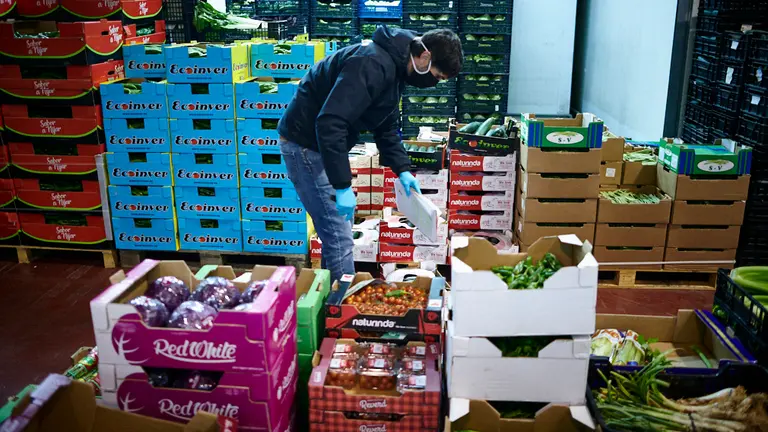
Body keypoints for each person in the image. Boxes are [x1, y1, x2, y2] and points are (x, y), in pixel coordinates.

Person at [277, 26, 463, 283]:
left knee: (337, 231)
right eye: (437, 76)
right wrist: (342, 186)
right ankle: (343, 302)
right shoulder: (372, 64)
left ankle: (332, 293)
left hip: (320, 144)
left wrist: (403, 169)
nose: (435, 83)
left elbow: (386, 126)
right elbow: (330, 122)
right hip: (305, 144)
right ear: (425, 56)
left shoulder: (397, 67)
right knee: (339, 235)